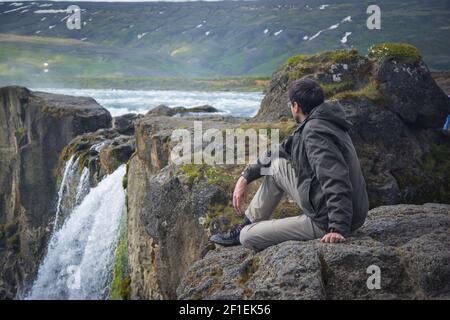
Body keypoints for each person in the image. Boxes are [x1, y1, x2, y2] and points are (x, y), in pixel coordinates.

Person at [210, 78, 369, 251]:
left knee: (247, 237)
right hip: (334, 207)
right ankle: (246, 224)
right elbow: (280, 150)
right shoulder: (320, 122)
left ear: (296, 106)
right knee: (276, 165)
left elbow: (335, 177)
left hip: (327, 221)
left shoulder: (315, 132)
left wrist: (337, 228)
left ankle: (244, 231)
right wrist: (245, 176)